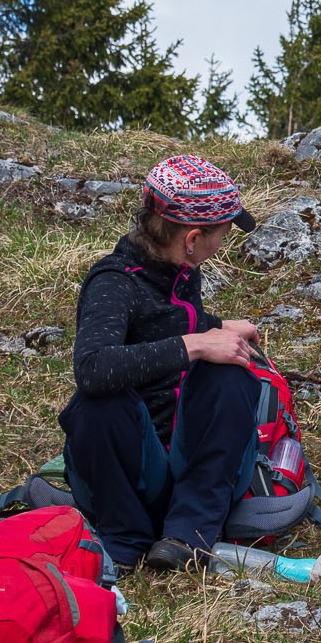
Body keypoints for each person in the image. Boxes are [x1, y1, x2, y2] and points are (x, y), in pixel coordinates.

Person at [60, 155, 264, 574]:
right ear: (191, 238)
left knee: (231, 372)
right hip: (136, 476)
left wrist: (216, 327)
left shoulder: (179, 271)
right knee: (97, 400)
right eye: (222, 233)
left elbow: (161, 323)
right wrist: (196, 344)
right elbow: (93, 367)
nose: (222, 243)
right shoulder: (114, 282)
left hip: (188, 466)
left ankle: (188, 539)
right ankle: (125, 541)